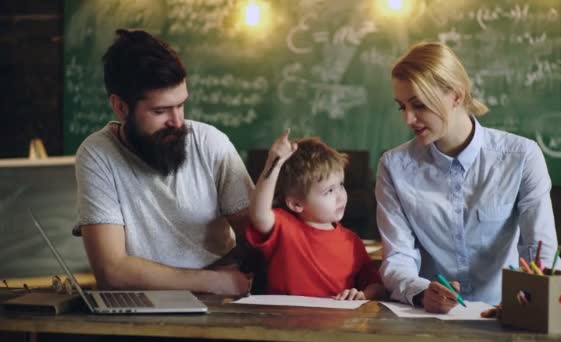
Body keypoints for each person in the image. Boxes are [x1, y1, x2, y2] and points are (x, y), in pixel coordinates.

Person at [376, 42, 561, 314]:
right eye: (401, 107)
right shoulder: (394, 166)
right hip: (430, 320)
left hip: (508, 314)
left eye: (418, 105)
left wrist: (529, 302)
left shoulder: (521, 157)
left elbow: (540, 250)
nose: (408, 118)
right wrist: (420, 293)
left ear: (456, 96)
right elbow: (397, 258)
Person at [73, 29, 254, 295]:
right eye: (160, 111)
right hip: (150, 306)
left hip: (220, 303)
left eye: (181, 105)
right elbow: (111, 271)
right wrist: (212, 281)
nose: (178, 122)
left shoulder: (210, 143)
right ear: (121, 107)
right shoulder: (97, 154)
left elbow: (257, 238)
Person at [247, 130, 385, 300]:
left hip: (336, 323)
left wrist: (363, 294)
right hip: (285, 322)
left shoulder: (352, 242)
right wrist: (273, 163)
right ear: (296, 204)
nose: (340, 195)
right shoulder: (284, 227)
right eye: (329, 191)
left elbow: (376, 286)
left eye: (341, 185)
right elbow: (259, 214)